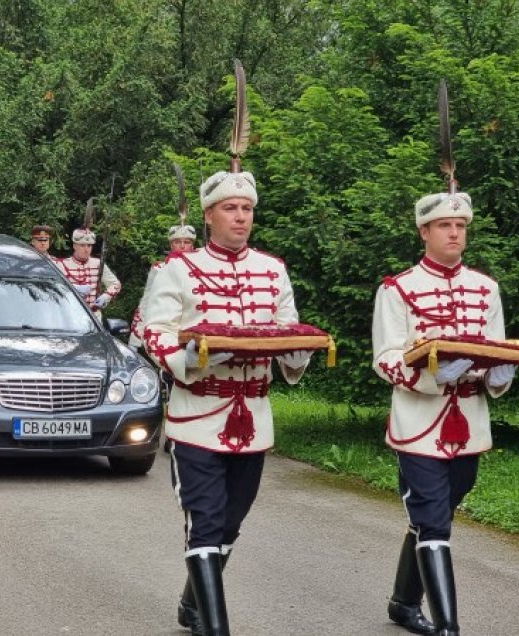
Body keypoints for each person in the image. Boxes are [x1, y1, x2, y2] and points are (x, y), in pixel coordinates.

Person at [141, 170, 312, 635]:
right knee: (206, 518)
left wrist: (297, 350)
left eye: (247, 209)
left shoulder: (273, 270)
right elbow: (154, 333)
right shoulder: (175, 270)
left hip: (253, 418)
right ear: (209, 214)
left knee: (231, 521)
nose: (241, 217)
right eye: (230, 208)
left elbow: (287, 328)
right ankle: (215, 627)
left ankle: (191, 601)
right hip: (195, 416)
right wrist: (195, 359)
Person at [372, 191, 514, 635]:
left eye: (461, 226)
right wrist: (434, 374)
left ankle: (401, 603)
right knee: (434, 520)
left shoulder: (485, 289)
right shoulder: (397, 289)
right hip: (419, 424)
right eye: (445, 226)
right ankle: (449, 627)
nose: (455, 233)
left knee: (433, 515)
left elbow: (495, 355)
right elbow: (386, 357)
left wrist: (501, 370)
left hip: (469, 425)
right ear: (424, 231)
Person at [129, 223, 197, 349]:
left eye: (186, 242)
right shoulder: (159, 269)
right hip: (168, 328)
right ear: (171, 245)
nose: (182, 246)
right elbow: (146, 302)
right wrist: (135, 338)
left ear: (192, 245)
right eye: (177, 242)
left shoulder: (202, 270)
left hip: (194, 328)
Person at [55, 228, 121, 315]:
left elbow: (115, 284)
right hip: (69, 315)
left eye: (89, 246)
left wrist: (105, 297)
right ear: (75, 246)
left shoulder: (98, 264)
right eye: (82, 245)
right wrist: (73, 288)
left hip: (94, 316)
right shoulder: (61, 264)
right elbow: (53, 287)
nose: (86, 249)